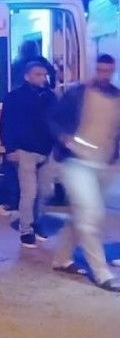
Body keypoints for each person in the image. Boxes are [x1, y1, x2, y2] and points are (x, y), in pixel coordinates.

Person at [49, 54, 120, 292]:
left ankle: (61, 258)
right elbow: (52, 119)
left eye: (107, 71)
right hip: (75, 162)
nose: (103, 75)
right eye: (100, 70)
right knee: (91, 215)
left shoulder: (117, 97)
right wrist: (63, 138)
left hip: (104, 164)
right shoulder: (77, 94)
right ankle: (101, 272)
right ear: (94, 69)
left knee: (79, 214)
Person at [0, 60, 57, 247]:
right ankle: (26, 228)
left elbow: (56, 121)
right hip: (25, 150)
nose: (43, 78)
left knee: (45, 191)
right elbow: (6, 124)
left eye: (44, 75)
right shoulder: (14, 97)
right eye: (38, 74)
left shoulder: (49, 96)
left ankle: (37, 222)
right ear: (27, 76)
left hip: (46, 150)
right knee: (29, 193)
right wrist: (10, 149)